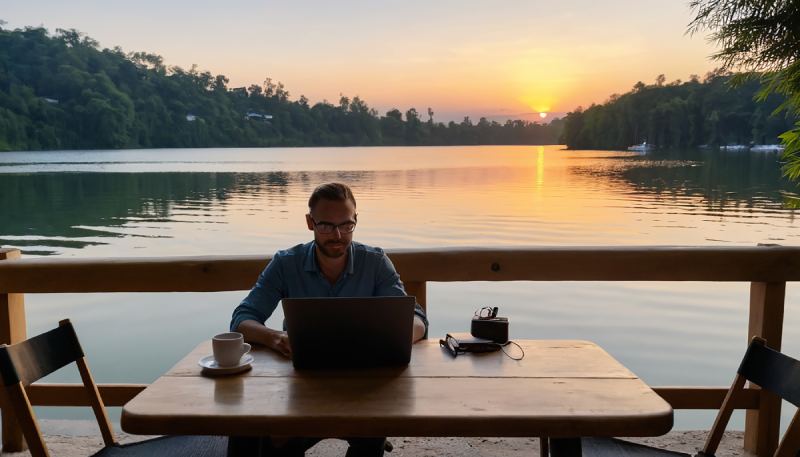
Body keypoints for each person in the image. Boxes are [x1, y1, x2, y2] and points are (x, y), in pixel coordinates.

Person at [229, 182, 429, 457]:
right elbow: (242, 319)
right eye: (326, 226)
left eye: (346, 225)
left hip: (364, 381)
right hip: (302, 379)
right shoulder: (286, 263)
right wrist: (275, 338)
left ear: (356, 220)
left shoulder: (375, 261)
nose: (337, 235)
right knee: (266, 438)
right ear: (310, 222)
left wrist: (390, 339)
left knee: (371, 434)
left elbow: (417, 318)